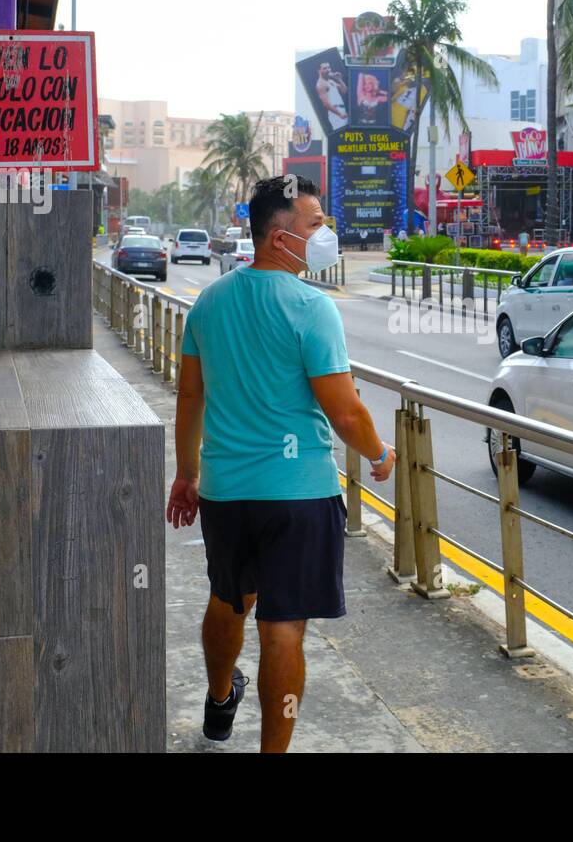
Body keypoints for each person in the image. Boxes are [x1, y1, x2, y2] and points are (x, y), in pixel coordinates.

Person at [167, 175, 396, 752]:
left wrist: (187, 474)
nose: (325, 236)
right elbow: (345, 414)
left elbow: (191, 396)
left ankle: (220, 700)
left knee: (228, 600)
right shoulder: (311, 307)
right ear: (279, 236)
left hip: (225, 491)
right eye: (315, 225)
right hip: (299, 495)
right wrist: (380, 453)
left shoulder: (211, 302)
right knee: (284, 629)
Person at [315, 62, 348, 131]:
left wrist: (339, 79)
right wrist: (339, 114)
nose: (328, 70)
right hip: (336, 113)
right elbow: (326, 104)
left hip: (342, 110)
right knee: (341, 135)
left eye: (329, 67)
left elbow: (344, 90)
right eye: (325, 68)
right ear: (319, 71)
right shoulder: (321, 84)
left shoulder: (330, 81)